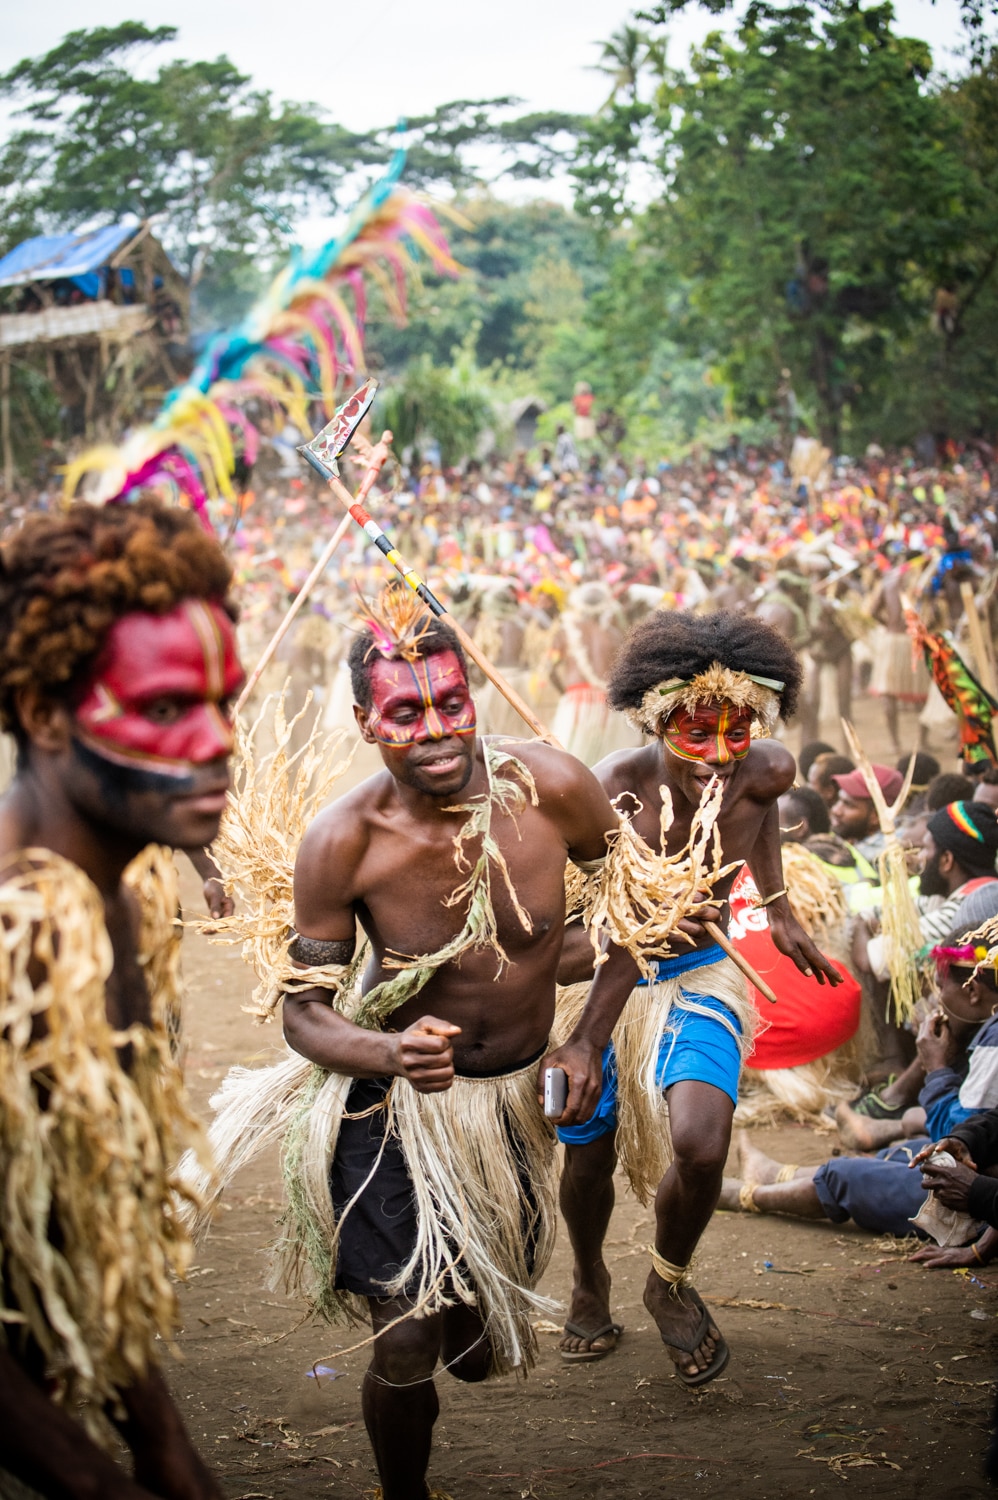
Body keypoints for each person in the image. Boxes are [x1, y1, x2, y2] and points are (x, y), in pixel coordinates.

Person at [210, 588, 639, 1500]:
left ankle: (469, 1317)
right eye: (408, 712)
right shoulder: (343, 841)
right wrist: (389, 1056)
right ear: (368, 723)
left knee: (476, 1350)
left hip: (510, 1108)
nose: (439, 728)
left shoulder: (556, 786)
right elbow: (305, 1012)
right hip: (394, 1109)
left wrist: (588, 1039)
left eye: (453, 703)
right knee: (406, 1339)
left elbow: (640, 917)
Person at [0, 499, 241, 1500]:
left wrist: (161, 1440)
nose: (214, 741)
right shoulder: (15, 943)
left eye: (225, 702)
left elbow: (78, 1220)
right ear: (46, 713)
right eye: (160, 710)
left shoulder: (116, 900)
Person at [546, 610, 841, 1386]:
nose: (718, 757)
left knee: (705, 1144)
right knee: (589, 1151)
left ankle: (666, 1277)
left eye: (735, 733)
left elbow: (757, 815)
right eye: (697, 734)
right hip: (610, 974)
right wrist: (584, 1034)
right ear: (657, 719)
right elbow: (598, 932)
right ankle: (587, 1279)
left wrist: (777, 906)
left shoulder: (766, 771)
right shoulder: (616, 789)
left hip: (702, 973)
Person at [719, 930, 998, 1242]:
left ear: (972, 991)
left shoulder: (993, 1041)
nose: (935, 999)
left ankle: (749, 1196)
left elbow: (961, 1142)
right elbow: (976, 1130)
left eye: (940, 986)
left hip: (980, 1202)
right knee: (904, 1153)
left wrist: (935, 1068)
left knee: (846, 1178)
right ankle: (777, 1176)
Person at [829, 762, 904, 866]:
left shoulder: (881, 859)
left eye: (848, 805)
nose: (836, 810)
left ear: (877, 816)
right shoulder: (855, 839)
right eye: (839, 800)